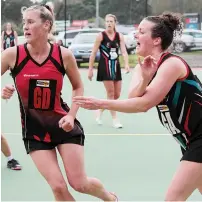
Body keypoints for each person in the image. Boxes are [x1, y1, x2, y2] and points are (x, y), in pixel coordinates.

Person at [73, 12, 202, 201]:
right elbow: (134, 96)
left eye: (141, 32)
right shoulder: (143, 67)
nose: (135, 35)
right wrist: (146, 79)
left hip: (199, 139)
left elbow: (143, 105)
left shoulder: (172, 64)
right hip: (188, 141)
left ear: (156, 40)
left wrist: (100, 103)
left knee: (173, 198)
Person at [1, 4, 117, 201]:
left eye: (30, 22)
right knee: (58, 187)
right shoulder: (12, 55)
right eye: (24, 23)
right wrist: (3, 90)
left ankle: (110, 198)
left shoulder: (63, 55)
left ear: (46, 25)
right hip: (34, 132)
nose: (25, 27)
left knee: (79, 184)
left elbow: (78, 87)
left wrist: (72, 115)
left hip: (64, 126)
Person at [88, 14, 130, 128]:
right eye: (107, 21)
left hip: (115, 67)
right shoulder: (101, 36)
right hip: (105, 68)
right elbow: (93, 53)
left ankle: (100, 111)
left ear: (115, 23)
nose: (109, 23)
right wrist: (90, 69)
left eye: (111, 21)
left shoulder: (119, 36)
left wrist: (126, 64)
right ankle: (115, 119)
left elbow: (124, 51)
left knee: (116, 95)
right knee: (110, 94)